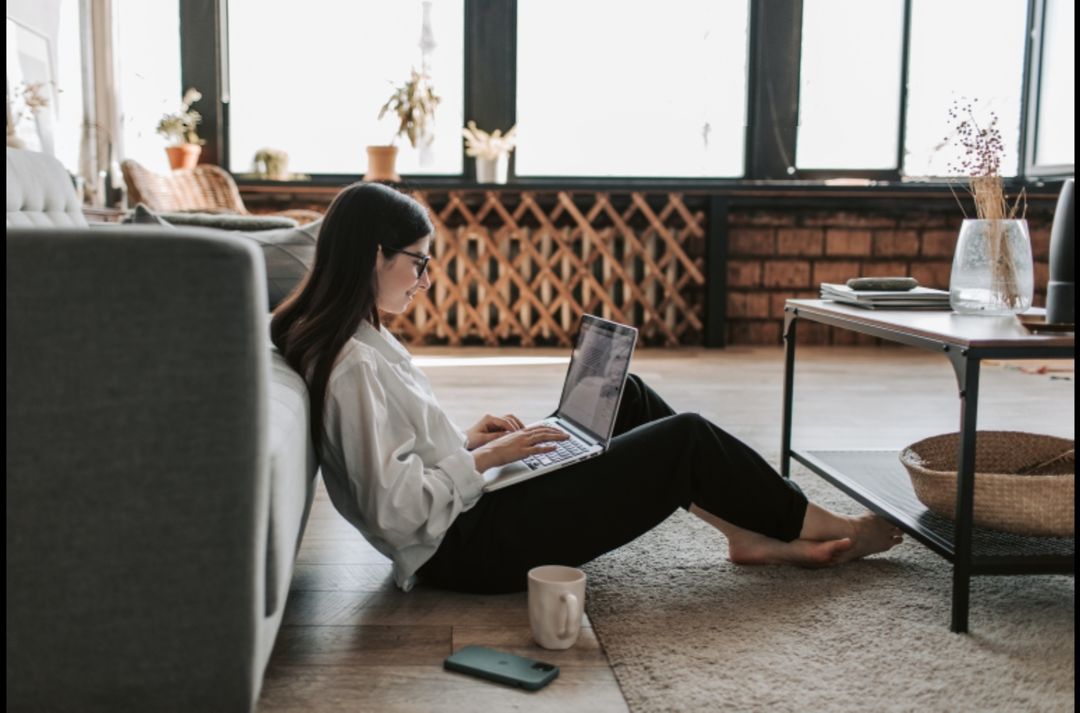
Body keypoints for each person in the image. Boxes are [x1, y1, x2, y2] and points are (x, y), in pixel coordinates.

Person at [271, 183, 903, 595]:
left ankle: (745, 532)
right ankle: (825, 525)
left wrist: (467, 440)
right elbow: (395, 511)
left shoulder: (360, 339)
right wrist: (486, 460)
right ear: (374, 255)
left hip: (467, 514)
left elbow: (395, 460)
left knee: (624, 394)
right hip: (461, 551)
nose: (426, 279)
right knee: (686, 439)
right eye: (419, 262)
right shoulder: (353, 363)